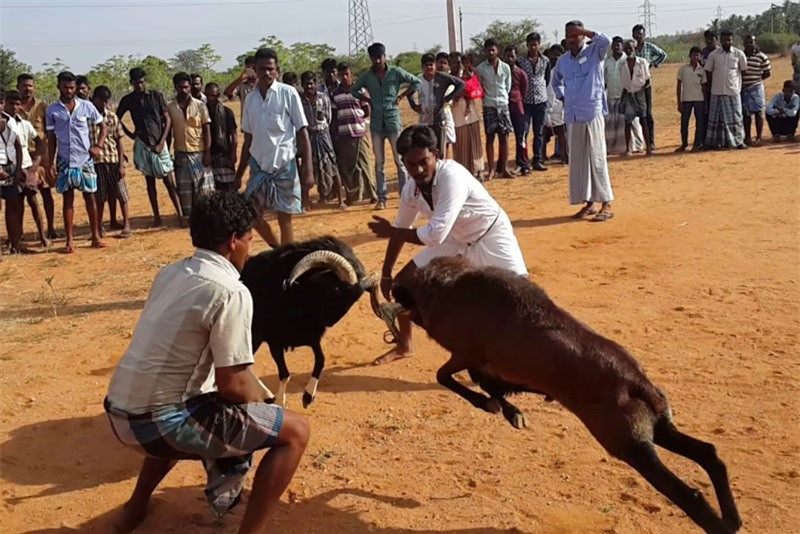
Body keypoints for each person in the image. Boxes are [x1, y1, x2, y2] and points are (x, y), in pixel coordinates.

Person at [104, 191, 309, 534]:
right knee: (295, 431)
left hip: (119, 413)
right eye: (248, 239)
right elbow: (233, 383)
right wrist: (264, 408)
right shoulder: (231, 290)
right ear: (233, 241)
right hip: (158, 424)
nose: (249, 247)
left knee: (180, 400)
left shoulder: (170, 273)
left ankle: (134, 509)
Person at [366, 124, 527, 365]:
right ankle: (404, 345)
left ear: (437, 155)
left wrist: (391, 231)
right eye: (410, 164)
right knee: (403, 284)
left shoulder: (452, 176)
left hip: (490, 233)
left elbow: (434, 234)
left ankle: (531, 357)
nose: (418, 170)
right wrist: (387, 273)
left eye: (424, 161)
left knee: (522, 297)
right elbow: (402, 228)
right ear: (403, 163)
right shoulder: (411, 190)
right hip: (455, 239)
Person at [235, 47, 314, 247]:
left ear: (277, 70)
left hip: (284, 166)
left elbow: (302, 131)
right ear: (255, 70)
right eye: (262, 69)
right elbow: (248, 139)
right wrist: (239, 174)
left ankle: (286, 259)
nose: (267, 73)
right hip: (259, 167)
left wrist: (308, 170)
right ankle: (278, 250)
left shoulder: (289, 94)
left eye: (271, 69)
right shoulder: (251, 100)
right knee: (252, 215)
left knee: (284, 219)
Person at [552, 21, 615, 222]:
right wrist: (564, 96)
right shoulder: (563, 61)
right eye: (568, 35)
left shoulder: (595, 52)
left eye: (575, 35)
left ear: (582, 36)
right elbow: (556, 82)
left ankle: (606, 203)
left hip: (592, 111)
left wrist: (587, 32)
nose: (571, 39)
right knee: (578, 161)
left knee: (597, 157)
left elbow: (607, 40)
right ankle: (588, 203)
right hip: (573, 114)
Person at [351, 42, 420, 210]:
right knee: (379, 162)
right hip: (376, 123)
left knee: (400, 161)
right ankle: (382, 198)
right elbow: (354, 90)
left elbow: (416, 82)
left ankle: (404, 196)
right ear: (371, 59)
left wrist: (401, 96)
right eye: (374, 58)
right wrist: (368, 100)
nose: (377, 61)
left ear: (384, 56)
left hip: (393, 119)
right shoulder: (368, 76)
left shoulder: (395, 72)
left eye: (380, 58)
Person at [45, 71, 107, 253]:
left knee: (90, 198)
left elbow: (103, 126)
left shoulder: (86, 106)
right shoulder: (52, 110)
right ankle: (69, 241)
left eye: (72, 87)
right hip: (65, 160)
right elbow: (51, 137)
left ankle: (95, 236)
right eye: (65, 87)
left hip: (85, 159)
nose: (69, 90)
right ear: (59, 87)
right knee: (68, 200)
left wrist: (99, 146)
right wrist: (51, 162)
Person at [117, 67, 184, 226]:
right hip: (144, 144)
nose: (139, 85)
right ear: (131, 83)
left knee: (169, 181)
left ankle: (180, 215)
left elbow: (167, 120)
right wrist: (131, 134)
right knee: (150, 182)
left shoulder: (156, 96)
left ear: (145, 81)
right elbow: (116, 118)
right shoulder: (128, 100)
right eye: (136, 83)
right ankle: (157, 217)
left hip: (159, 143)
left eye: (141, 82)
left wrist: (162, 142)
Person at [3, 89, 49, 249]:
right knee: (13, 205)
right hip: (10, 168)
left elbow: (40, 141)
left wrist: (36, 160)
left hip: (27, 167)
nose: (14, 107)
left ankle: (42, 236)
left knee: (34, 200)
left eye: (17, 103)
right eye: (11, 103)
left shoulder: (24, 124)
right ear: (4, 104)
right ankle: (15, 241)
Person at [17, 73, 58, 240]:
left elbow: (49, 132)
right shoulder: (12, 106)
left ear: (34, 87)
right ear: (18, 86)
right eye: (24, 85)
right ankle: (17, 233)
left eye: (30, 86)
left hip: (43, 155)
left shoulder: (43, 106)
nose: (27, 89)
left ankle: (51, 228)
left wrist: (44, 156)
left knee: (46, 192)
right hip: (22, 156)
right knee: (20, 195)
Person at [167, 72, 214, 219]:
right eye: (180, 87)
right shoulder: (170, 107)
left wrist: (207, 153)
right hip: (181, 153)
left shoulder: (200, 106)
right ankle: (188, 217)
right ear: (175, 87)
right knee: (184, 188)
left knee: (204, 189)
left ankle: (206, 216)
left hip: (199, 153)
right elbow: (168, 132)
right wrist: (168, 153)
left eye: (186, 87)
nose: (184, 90)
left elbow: (207, 130)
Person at [331, 61, 377, 205]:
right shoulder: (335, 94)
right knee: (349, 167)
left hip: (360, 133)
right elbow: (334, 115)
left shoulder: (360, 91)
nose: (344, 77)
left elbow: (367, 109)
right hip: (344, 135)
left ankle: (373, 194)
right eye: (342, 74)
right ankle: (353, 196)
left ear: (351, 75)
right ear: (338, 75)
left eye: (347, 74)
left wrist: (359, 120)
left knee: (365, 165)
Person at [300, 71, 345, 209]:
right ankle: (306, 201)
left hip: (323, 135)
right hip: (308, 136)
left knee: (332, 166)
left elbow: (329, 118)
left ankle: (340, 200)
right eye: (306, 84)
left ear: (315, 83)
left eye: (311, 83)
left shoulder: (323, 98)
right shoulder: (299, 100)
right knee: (307, 167)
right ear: (302, 85)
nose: (309, 86)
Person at [90, 86, 131, 238]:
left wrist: (121, 164)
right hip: (96, 162)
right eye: (101, 100)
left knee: (122, 194)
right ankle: (99, 227)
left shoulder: (112, 117)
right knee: (100, 197)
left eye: (106, 101)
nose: (104, 104)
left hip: (112, 160)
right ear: (94, 99)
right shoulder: (87, 118)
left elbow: (119, 141)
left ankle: (126, 225)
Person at [408, 53, 465, 157]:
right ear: (422, 67)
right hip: (424, 119)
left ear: (435, 65)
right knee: (426, 147)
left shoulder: (442, 77)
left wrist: (447, 98)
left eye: (431, 64)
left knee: (441, 148)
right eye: (426, 65)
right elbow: (409, 92)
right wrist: (414, 105)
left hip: (439, 118)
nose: (429, 67)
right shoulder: (418, 79)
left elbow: (461, 84)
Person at [476, 38, 513, 180]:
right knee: (490, 138)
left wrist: (503, 99)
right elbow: (479, 87)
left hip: (503, 105)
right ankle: (491, 170)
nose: (491, 52)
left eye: (493, 49)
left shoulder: (505, 67)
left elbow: (507, 86)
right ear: (485, 51)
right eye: (488, 50)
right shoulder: (480, 69)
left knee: (505, 138)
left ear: (497, 50)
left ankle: (503, 168)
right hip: (489, 106)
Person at [704, 30, 748, 150]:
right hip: (717, 91)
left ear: (732, 40)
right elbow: (708, 71)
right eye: (724, 40)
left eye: (729, 40)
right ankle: (715, 143)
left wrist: (736, 84)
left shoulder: (739, 54)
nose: (726, 42)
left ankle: (738, 142)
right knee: (716, 120)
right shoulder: (714, 55)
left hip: (733, 92)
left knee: (736, 118)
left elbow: (743, 71)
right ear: (720, 41)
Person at [604, 36, 645, 155]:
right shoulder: (607, 62)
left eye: (618, 45)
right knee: (612, 124)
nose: (616, 47)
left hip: (627, 96)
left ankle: (635, 146)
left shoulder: (627, 61)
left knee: (631, 122)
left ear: (622, 47)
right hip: (612, 96)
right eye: (614, 45)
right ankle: (613, 148)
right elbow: (604, 81)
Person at [517, 32, 550, 172]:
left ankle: (537, 159)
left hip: (541, 101)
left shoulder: (546, 61)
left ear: (539, 44)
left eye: (535, 44)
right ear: (527, 45)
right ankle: (522, 161)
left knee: (539, 132)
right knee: (523, 131)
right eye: (531, 44)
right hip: (526, 101)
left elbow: (546, 79)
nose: (533, 47)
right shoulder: (521, 61)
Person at [449, 51, 484, 178]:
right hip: (457, 115)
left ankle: (478, 170)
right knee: (461, 146)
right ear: (449, 63)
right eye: (454, 63)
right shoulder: (447, 78)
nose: (457, 65)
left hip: (471, 114)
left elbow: (474, 89)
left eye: (459, 63)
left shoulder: (468, 74)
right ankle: (463, 172)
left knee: (475, 143)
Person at [632, 24, 667, 151]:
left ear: (644, 35)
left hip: (646, 85)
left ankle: (651, 142)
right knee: (632, 115)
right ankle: (635, 143)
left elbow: (663, 55)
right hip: (632, 85)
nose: (638, 36)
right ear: (633, 35)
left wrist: (652, 64)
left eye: (640, 34)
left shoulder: (649, 47)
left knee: (647, 114)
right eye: (636, 34)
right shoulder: (632, 48)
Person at [619, 39, 653, 156]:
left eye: (631, 48)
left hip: (640, 93)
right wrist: (623, 97)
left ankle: (648, 147)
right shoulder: (622, 64)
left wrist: (643, 93)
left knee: (643, 120)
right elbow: (623, 82)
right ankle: (628, 149)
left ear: (635, 49)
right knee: (628, 122)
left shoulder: (643, 62)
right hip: (628, 94)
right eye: (626, 48)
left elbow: (648, 80)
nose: (629, 50)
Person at [205, 82, 238, 192]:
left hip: (224, 154)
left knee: (229, 186)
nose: (211, 98)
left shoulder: (227, 112)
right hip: (208, 155)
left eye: (214, 95)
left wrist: (233, 154)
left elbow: (234, 135)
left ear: (218, 95)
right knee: (212, 188)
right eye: (209, 95)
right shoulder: (202, 112)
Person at [675, 46, 708, 152]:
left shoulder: (702, 70)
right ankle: (684, 144)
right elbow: (679, 86)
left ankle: (696, 144)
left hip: (699, 99)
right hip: (686, 99)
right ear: (690, 56)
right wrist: (679, 102)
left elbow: (704, 87)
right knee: (684, 122)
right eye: (694, 55)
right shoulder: (683, 69)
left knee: (699, 122)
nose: (696, 57)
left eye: (698, 55)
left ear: (700, 57)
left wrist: (706, 102)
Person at [741, 35, 771, 147]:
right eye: (747, 42)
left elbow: (767, 72)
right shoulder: (740, 56)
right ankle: (747, 137)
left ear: (755, 43)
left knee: (758, 112)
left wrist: (756, 80)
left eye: (751, 42)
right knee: (746, 114)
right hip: (743, 88)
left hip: (756, 87)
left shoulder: (762, 56)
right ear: (744, 44)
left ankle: (759, 137)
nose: (749, 45)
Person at [503, 45, 529, 176]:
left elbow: (524, 90)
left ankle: (523, 164)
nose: (509, 58)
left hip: (517, 105)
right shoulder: (501, 71)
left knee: (521, 136)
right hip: (503, 106)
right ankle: (502, 165)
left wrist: (518, 99)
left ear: (516, 57)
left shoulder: (520, 73)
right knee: (504, 136)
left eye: (512, 56)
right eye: (507, 56)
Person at [544, 45, 569, 165]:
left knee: (560, 131)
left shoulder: (563, 70)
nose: (556, 56)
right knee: (543, 131)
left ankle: (564, 155)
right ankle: (542, 156)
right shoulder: (544, 69)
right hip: (545, 102)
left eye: (559, 54)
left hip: (559, 103)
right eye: (554, 54)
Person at [435, 51, 459, 158]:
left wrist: (447, 99)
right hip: (433, 114)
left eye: (445, 63)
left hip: (447, 112)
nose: (442, 65)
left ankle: (445, 164)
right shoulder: (431, 78)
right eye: (440, 62)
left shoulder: (450, 79)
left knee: (447, 142)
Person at [224, 55, 257, 121]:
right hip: (248, 123)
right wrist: (240, 78)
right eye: (249, 68)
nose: (252, 70)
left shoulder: (263, 84)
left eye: (254, 68)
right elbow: (227, 93)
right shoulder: (242, 86)